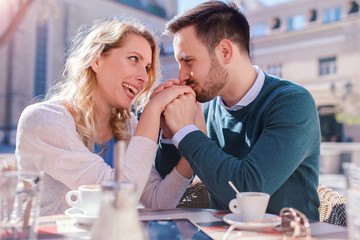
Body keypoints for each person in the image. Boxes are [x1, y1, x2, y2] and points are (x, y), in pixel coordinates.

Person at [154, 1, 321, 220]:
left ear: (225, 51)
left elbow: (247, 190)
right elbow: (168, 184)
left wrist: (186, 130)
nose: (182, 75)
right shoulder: (207, 108)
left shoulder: (292, 103)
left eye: (188, 61)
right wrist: (169, 134)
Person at [15, 18, 195, 216]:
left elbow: (158, 201)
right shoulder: (43, 120)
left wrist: (191, 157)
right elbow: (119, 198)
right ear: (96, 60)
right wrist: (152, 111)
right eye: (134, 59)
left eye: (146, 68)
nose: (144, 78)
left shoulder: (127, 126)